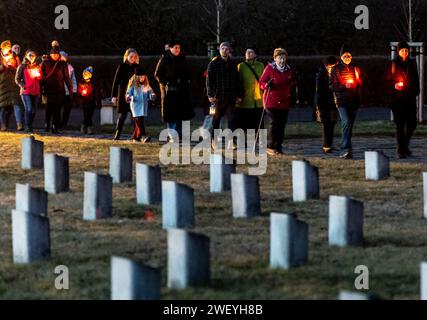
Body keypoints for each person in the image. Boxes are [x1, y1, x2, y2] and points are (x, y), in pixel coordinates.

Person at [155, 39, 194, 141]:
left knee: (182, 113)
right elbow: (157, 74)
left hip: (182, 90)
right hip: (170, 91)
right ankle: (173, 134)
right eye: (175, 47)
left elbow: (187, 71)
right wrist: (166, 83)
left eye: (179, 47)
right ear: (171, 48)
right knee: (171, 114)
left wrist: (188, 80)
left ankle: (181, 134)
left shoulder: (182, 58)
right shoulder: (164, 59)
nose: (178, 49)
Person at [259, 48, 296, 156]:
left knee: (282, 124)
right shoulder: (270, 68)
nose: (282, 60)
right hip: (271, 101)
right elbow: (261, 82)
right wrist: (267, 85)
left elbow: (291, 82)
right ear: (275, 58)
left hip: (284, 101)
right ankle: (271, 146)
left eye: (283, 58)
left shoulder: (289, 69)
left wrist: (294, 80)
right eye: (279, 58)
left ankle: (278, 146)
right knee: (274, 123)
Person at [387, 41, 420, 158]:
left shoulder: (412, 63)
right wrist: (395, 86)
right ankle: (401, 151)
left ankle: (404, 146)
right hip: (397, 100)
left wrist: (416, 91)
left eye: (406, 50)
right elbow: (387, 81)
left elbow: (416, 79)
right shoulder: (393, 63)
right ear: (398, 51)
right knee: (400, 125)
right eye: (402, 50)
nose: (405, 52)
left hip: (409, 98)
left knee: (412, 124)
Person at [206, 42, 242, 147]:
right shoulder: (213, 63)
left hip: (230, 97)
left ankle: (232, 141)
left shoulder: (233, 64)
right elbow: (209, 81)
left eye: (226, 48)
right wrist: (210, 95)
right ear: (219, 50)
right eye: (222, 48)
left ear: (229, 50)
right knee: (216, 120)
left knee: (232, 119)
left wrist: (239, 95)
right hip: (217, 98)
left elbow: (237, 81)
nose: (224, 50)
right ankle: (214, 140)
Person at [329, 45, 362, 159]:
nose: (347, 57)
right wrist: (344, 85)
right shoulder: (335, 68)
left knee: (349, 125)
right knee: (346, 121)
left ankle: (348, 149)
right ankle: (344, 147)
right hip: (341, 101)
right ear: (341, 57)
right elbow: (332, 85)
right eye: (345, 55)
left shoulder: (355, 68)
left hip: (354, 100)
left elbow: (362, 83)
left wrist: (358, 80)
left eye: (349, 55)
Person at [40, 45, 73, 133]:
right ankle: (47, 124)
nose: (55, 55)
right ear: (50, 54)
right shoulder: (45, 63)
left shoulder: (62, 63)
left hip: (59, 88)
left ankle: (55, 125)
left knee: (57, 108)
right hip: (48, 88)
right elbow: (41, 76)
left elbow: (66, 77)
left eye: (57, 53)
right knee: (49, 108)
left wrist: (70, 89)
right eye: (53, 53)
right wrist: (41, 89)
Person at [111, 48, 139, 140]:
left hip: (135, 94)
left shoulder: (137, 67)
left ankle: (136, 135)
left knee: (136, 116)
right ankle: (117, 134)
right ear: (126, 57)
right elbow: (116, 82)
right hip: (124, 94)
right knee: (123, 115)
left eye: (134, 57)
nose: (133, 58)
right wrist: (114, 96)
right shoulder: (122, 66)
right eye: (131, 56)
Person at [236, 46, 265, 137]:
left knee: (260, 120)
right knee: (246, 120)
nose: (248, 53)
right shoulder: (241, 66)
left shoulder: (261, 65)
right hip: (245, 97)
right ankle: (249, 140)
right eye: (247, 52)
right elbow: (237, 81)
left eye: (251, 52)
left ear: (255, 54)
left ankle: (262, 141)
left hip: (259, 98)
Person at [315, 56, 339, 153]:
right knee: (326, 125)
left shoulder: (335, 74)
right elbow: (318, 91)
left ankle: (329, 144)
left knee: (332, 123)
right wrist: (318, 106)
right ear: (327, 66)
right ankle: (326, 145)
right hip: (323, 103)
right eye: (332, 66)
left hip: (333, 103)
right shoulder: (321, 75)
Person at [15, 49, 42, 133]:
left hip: (36, 91)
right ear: (26, 56)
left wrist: (38, 76)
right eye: (30, 55)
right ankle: (28, 127)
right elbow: (17, 79)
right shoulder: (22, 66)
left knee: (34, 110)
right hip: (26, 91)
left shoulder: (37, 66)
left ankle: (30, 125)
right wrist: (23, 86)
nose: (31, 57)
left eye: (33, 55)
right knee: (29, 109)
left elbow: (40, 77)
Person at [126, 67, 155, 143]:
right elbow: (128, 93)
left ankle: (135, 138)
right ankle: (143, 136)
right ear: (137, 77)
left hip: (143, 107)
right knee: (139, 122)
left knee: (138, 122)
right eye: (141, 77)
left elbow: (150, 94)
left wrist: (152, 95)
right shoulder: (133, 86)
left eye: (144, 77)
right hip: (135, 107)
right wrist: (128, 97)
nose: (142, 79)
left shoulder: (147, 86)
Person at [0, 40, 24, 131]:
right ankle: (3, 125)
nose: (7, 50)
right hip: (2, 85)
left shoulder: (14, 56)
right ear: (2, 48)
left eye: (8, 48)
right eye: (5, 48)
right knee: (1, 106)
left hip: (13, 84)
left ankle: (19, 124)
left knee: (16, 104)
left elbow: (20, 69)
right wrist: (3, 66)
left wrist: (12, 68)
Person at [77, 66, 101, 135]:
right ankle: (89, 128)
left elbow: (97, 93)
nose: (86, 76)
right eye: (85, 74)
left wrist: (98, 102)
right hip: (84, 102)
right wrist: (81, 94)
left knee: (89, 115)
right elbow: (79, 92)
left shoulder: (94, 83)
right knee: (86, 115)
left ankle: (83, 126)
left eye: (88, 74)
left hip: (92, 101)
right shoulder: (81, 82)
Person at [60, 51, 77, 129]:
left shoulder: (70, 67)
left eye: (64, 57)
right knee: (57, 108)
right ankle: (57, 123)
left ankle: (64, 123)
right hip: (58, 91)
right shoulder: (55, 66)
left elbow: (73, 79)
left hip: (67, 92)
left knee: (67, 109)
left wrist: (74, 90)